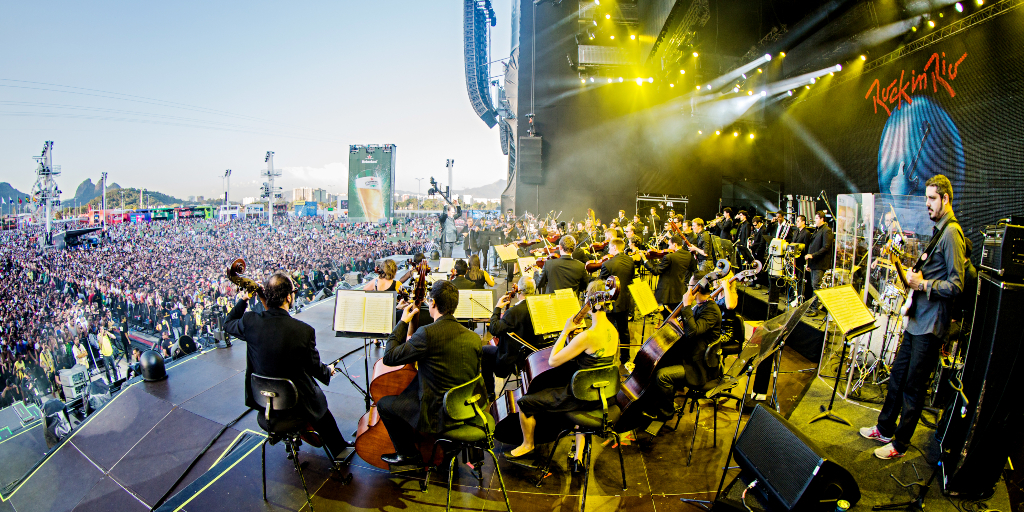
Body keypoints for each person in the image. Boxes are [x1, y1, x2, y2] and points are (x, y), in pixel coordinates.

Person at [860, 174, 965, 459]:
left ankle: (900, 444)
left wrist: (923, 285)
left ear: (945, 198)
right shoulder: (939, 232)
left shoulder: (953, 234)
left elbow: (957, 285)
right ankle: (884, 428)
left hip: (931, 326)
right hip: (917, 320)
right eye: (926, 198)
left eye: (932, 198)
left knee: (913, 387)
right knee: (897, 378)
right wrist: (908, 273)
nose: (927, 204)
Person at [224, 272, 351, 461]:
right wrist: (328, 371)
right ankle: (339, 450)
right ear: (289, 297)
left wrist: (244, 299)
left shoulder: (250, 322)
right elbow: (315, 369)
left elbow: (227, 323)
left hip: (264, 404)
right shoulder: (303, 331)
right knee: (317, 398)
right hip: (295, 405)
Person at [506, 280, 619, 468]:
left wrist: (566, 330)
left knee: (525, 403)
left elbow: (553, 360)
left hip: (580, 397)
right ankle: (578, 455)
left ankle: (528, 444)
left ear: (592, 303)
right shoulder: (613, 331)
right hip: (603, 394)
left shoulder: (587, 336)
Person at [378, 280, 482, 466]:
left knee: (385, 404)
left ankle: (407, 453)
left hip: (437, 413)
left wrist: (403, 322)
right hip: (465, 407)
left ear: (432, 303)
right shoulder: (474, 338)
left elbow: (390, 357)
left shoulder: (427, 334)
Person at [647, 277, 722, 422]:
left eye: (690, 286)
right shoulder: (701, 305)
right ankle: (653, 403)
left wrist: (687, 305)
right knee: (656, 366)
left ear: (697, 288)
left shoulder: (711, 310)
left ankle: (666, 413)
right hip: (690, 357)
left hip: (699, 367)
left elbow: (692, 332)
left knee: (662, 376)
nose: (688, 289)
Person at [483, 276, 542, 398]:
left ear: (519, 289)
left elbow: (494, 329)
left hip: (515, 359)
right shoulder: (540, 307)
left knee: (484, 351)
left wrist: (497, 308)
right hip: (536, 356)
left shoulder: (514, 312)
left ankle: (490, 393)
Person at [641, 236, 695, 320]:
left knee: (667, 315)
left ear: (675, 245)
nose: (668, 247)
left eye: (670, 245)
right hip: (680, 289)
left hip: (667, 291)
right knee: (675, 313)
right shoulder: (688, 255)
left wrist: (645, 260)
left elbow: (656, 271)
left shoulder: (669, 257)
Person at [600, 238, 634, 365]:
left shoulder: (608, 264)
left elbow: (600, 283)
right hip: (625, 301)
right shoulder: (630, 261)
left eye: (610, 248)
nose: (609, 250)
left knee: (608, 330)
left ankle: (607, 357)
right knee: (624, 330)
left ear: (614, 247)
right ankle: (625, 358)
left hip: (610, 303)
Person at [804, 211, 834, 316]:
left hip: (820, 263)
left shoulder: (827, 231)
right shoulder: (818, 230)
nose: (815, 220)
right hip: (814, 263)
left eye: (817, 218)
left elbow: (826, 247)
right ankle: (813, 307)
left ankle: (815, 309)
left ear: (822, 219)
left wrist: (813, 256)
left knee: (816, 285)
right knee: (814, 285)